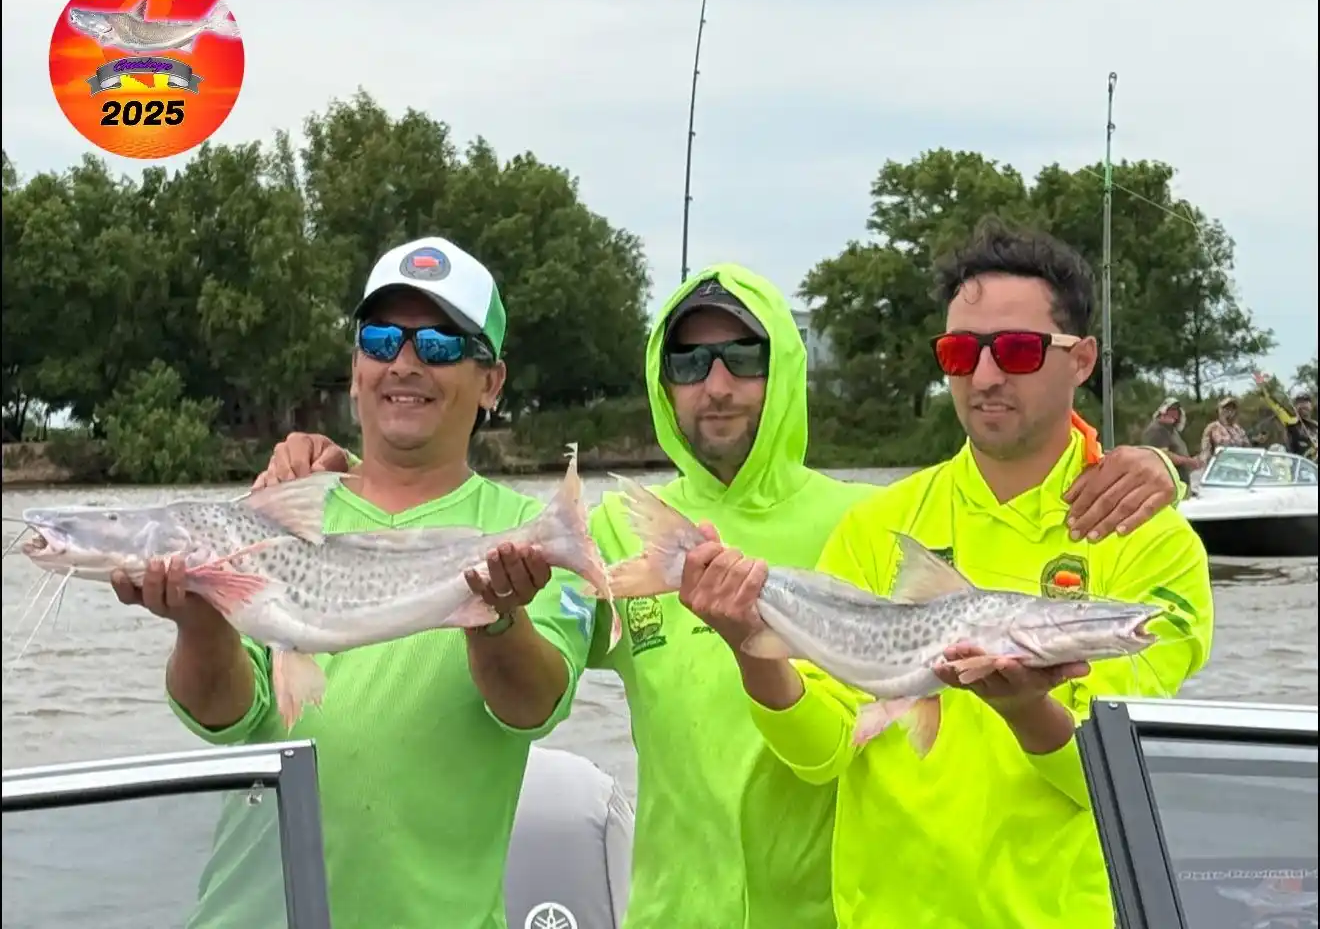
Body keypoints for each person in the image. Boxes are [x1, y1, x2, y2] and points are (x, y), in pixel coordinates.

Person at [264, 263, 1183, 929]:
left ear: (781, 370)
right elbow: (525, 684)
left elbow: (990, 523)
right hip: (671, 913)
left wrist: (1145, 466)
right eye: (688, 364)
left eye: (743, 358)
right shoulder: (614, 531)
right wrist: (335, 483)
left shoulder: (862, 524)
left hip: (837, 912)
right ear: (662, 383)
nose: (716, 386)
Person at [677, 218, 1214, 929]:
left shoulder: (1152, 539)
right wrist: (748, 645)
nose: (985, 376)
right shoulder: (882, 523)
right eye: (962, 352)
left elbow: (1116, 783)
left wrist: (1026, 706)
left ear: (1081, 359)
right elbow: (825, 752)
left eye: (1019, 350)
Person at [111, 237, 598, 929]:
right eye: (380, 339)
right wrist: (199, 618)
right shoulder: (276, 504)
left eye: (439, 345)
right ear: (354, 369)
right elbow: (229, 718)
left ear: (492, 382)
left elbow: (533, 705)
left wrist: (497, 616)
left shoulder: (528, 531)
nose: (403, 363)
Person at [1254, 373, 1318, 460]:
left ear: (1311, 405)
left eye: (1306, 401)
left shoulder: (1315, 426)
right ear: (1295, 406)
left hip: (1313, 467)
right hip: (1296, 465)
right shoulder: (1291, 421)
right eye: (1299, 402)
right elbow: (1275, 405)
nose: (1303, 405)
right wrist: (1263, 387)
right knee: (1276, 448)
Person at [1142, 395, 1202, 485]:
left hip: (1179, 482)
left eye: (1176, 411)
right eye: (1170, 410)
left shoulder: (1171, 430)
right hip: (1165, 484)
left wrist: (1193, 462)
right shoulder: (1157, 429)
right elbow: (1163, 455)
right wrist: (1188, 461)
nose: (1173, 414)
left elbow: (1178, 452)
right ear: (1163, 411)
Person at [1200, 394, 1251, 462]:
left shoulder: (1238, 429)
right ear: (1219, 410)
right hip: (1220, 465)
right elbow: (1205, 452)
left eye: (1232, 408)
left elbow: (1248, 448)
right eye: (1226, 408)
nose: (1229, 411)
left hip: (1239, 464)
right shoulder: (1211, 428)